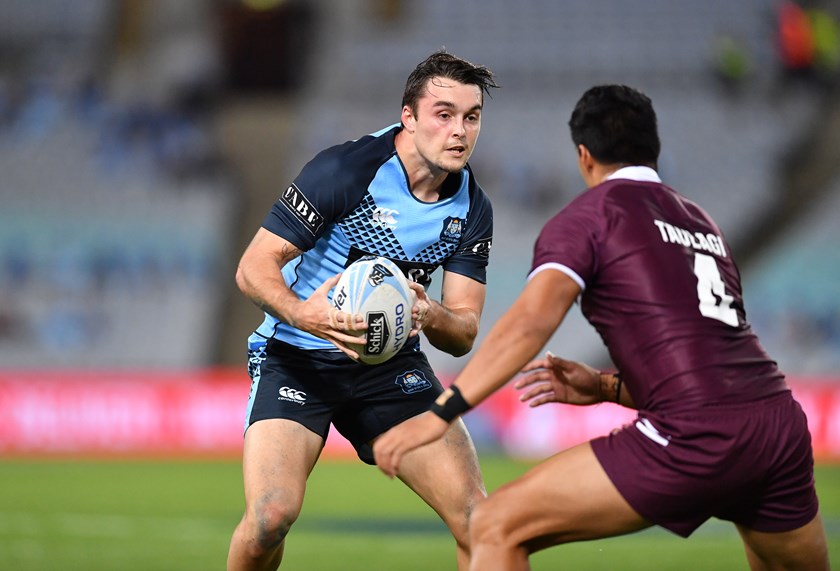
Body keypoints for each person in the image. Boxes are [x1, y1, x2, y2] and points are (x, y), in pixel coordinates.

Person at [373, 84, 830, 570]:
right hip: (777, 426)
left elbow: (529, 325)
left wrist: (442, 411)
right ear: (653, 150)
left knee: (492, 525)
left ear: (584, 156)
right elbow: (710, 367)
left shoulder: (589, 218)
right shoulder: (703, 225)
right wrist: (605, 387)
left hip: (695, 434)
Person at [227, 50, 498, 571]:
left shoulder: (471, 208)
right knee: (269, 518)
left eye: (471, 117)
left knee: (480, 521)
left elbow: (463, 330)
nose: (459, 131)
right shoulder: (347, 171)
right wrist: (304, 315)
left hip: (390, 368)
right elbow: (253, 267)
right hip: (299, 357)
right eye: (443, 114)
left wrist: (429, 313)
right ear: (409, 117)